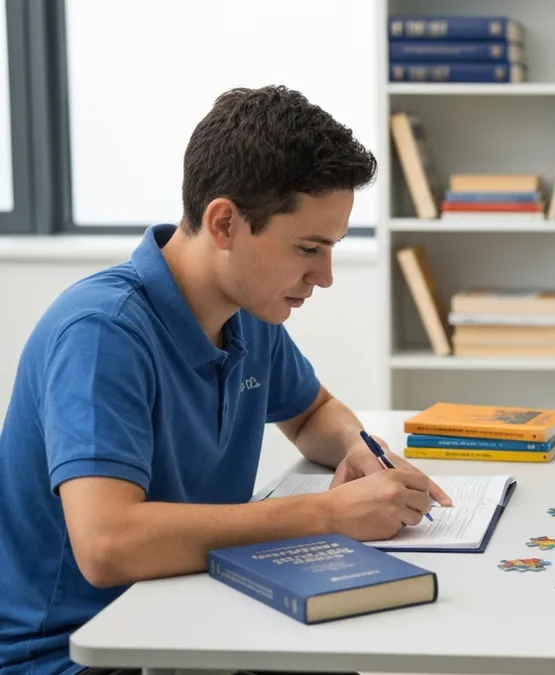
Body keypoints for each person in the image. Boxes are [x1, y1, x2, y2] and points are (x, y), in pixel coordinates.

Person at [0, 85, 452, 675]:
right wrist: (330, 514)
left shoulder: (248, 312)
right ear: (224, 223)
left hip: (189, 616)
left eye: (333, 248)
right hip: (78, 654)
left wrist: (357, 447)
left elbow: (313, 411)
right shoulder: (101, 334)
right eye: (309, 248)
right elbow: (107, 544)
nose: (326, 276)